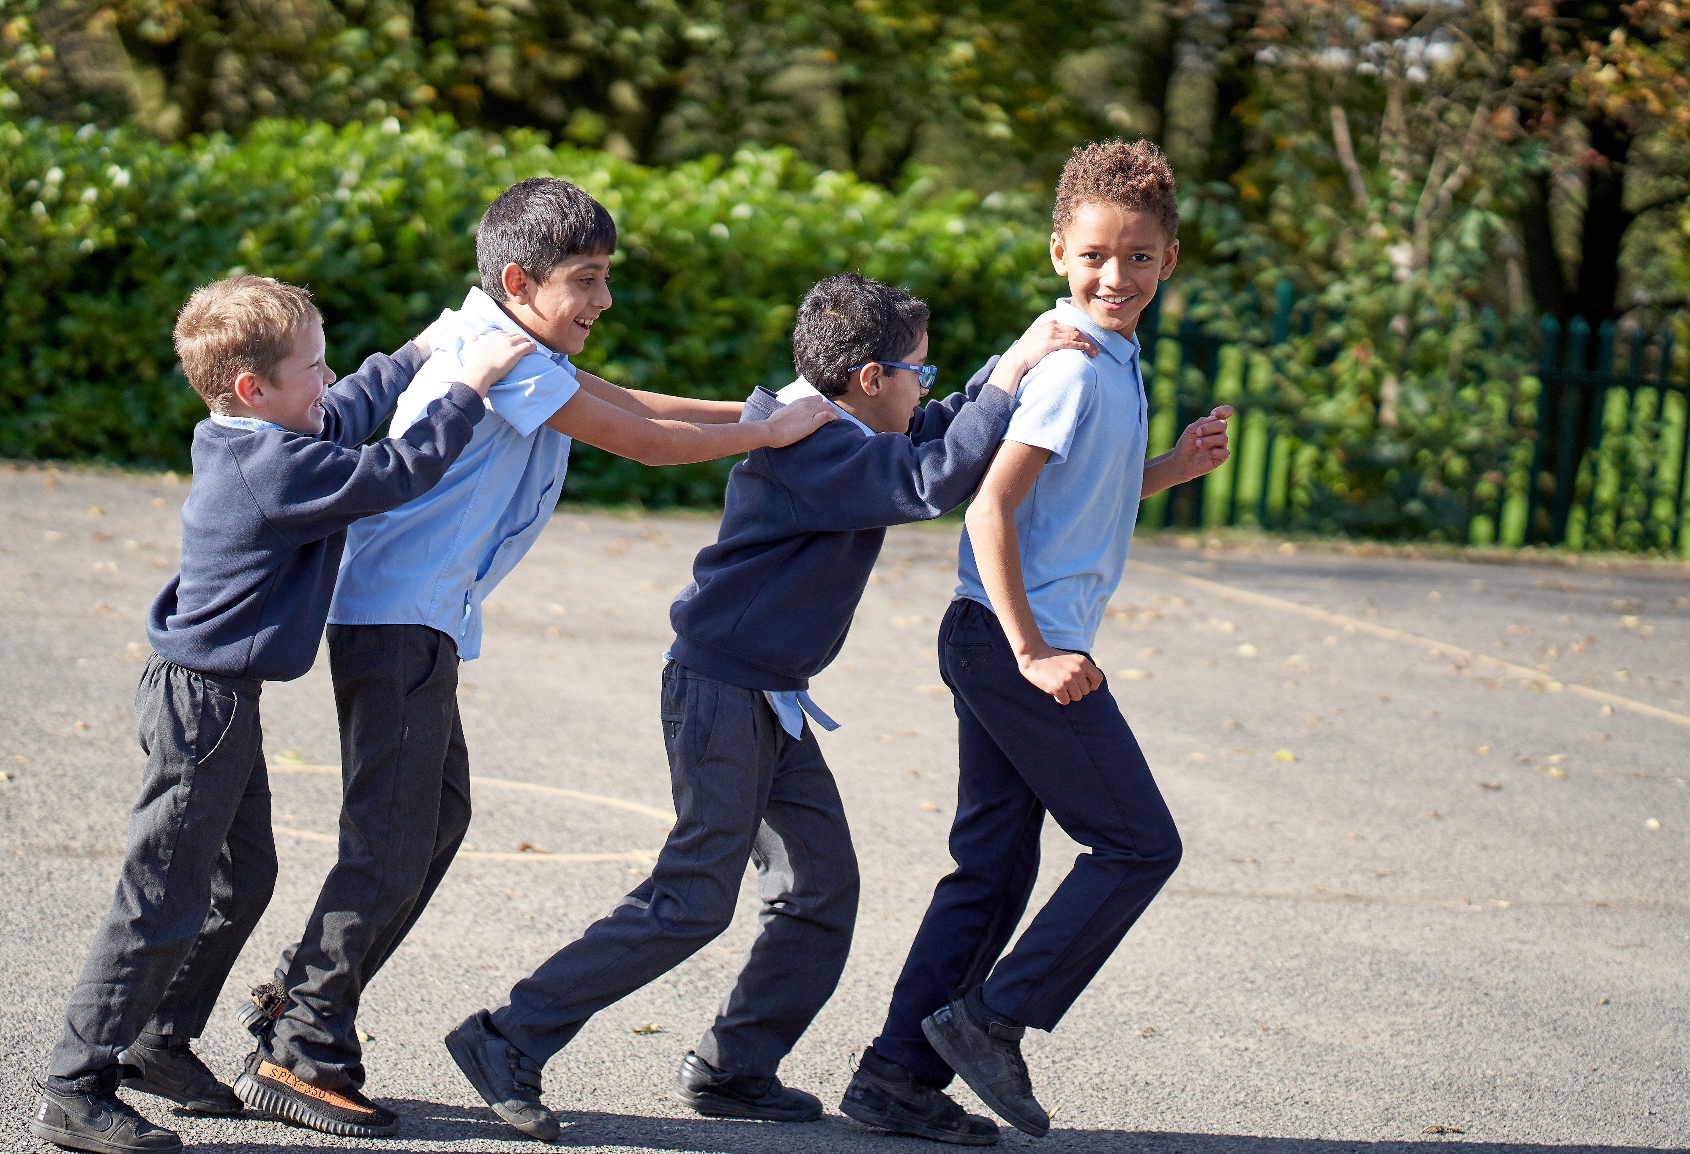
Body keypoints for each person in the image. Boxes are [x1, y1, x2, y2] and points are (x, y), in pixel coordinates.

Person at [232, 177, 837, 1138]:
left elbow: (622, 397)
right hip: (396, 625)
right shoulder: (501, 356)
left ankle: (305, 1011)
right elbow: (636, 439)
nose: (602, 300)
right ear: (518, 279)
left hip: (416, 623)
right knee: (392, 839)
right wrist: (765, 431)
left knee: (431, 820)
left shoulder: (512, 339)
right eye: (585, 280)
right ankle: (300, 1042)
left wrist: (762, 411)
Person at [443, 272, 1097, 1143]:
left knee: (820, 885)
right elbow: (931, 479)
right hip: (721, 692)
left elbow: (932, 436)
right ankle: (506, 1037)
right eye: (918, 374)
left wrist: (1003, 370)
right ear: (869, 379)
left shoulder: (844, 425)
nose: (925, 389)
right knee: (692, 897)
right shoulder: (815, 446)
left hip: (765, 694)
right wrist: (1012, 375)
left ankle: (735, 1068)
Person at [29, 274, 530, 1154]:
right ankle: (77, 1083)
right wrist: (466, 383)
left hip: (218, 700)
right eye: (315, 366)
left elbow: (349, 411)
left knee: (241, 877)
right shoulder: (274, 467)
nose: (329, 380)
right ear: (255, 390)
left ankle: (158, 1042)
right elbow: (394, 471)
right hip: (203, 708)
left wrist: (418, 348)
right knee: (163, 894)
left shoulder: (257, 437)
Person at [845, 139, 1235, 1145]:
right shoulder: (1068, 363)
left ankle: (896, 1075)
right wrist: (1030, 652)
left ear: (1170, 260)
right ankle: (989, 1017)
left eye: (1140, 258)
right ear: (1061, 249)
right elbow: (991, 509)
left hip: (995, 638)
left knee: (992, 870)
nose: (1118, 276)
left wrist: (1169, 468)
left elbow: (1082, 492)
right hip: (1018, 645)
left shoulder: (1103, 352)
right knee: (1140, 842)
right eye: (1097, 255)